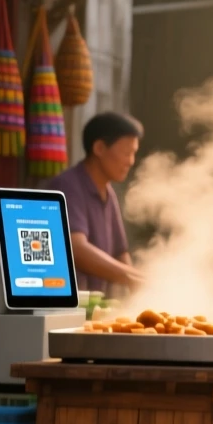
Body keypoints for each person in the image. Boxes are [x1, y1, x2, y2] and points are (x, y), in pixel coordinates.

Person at [49, 112, 144, 294]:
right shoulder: (67, 185)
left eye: (134, 154)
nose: (131, 162)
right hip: (67, 304)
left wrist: (140, 288)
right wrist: (132, 277)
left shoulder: (108, 193)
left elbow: (120, 252)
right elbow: (75, 247)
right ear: (99, 148)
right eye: (126, 153)